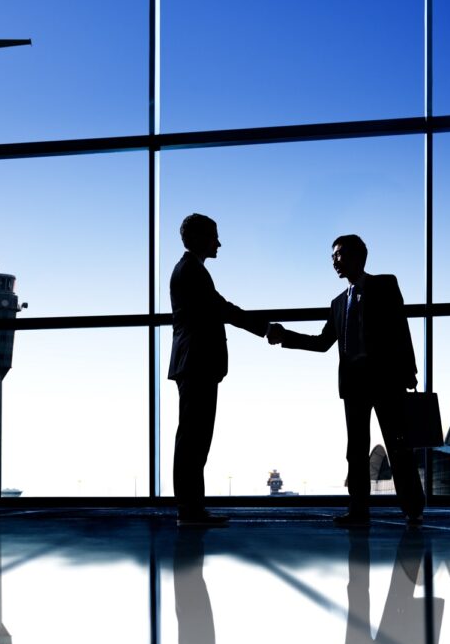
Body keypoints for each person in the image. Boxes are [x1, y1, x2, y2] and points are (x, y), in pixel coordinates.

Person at [267, 235, 425, 527]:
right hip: (354, 385)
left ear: (357, 257)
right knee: (356, 449)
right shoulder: (339, 303)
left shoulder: (385, 285)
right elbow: (323, 342)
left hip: (386, 381)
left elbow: (401, 328)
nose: (333, 261)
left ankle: (413, 508)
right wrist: (285, 337)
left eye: (338, 255)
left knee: (398, 446)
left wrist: (409, 370)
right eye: (332, 256)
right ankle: (358, 510)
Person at [169, 213, 269, 526]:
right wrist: (264, 328)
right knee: (194, 441)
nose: (219, 243)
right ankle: (190, 510)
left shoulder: (189, 270)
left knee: (194, 439)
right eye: (214, 236)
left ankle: (191, 508)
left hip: (194, 363)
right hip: (196, 363)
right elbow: (221, 308)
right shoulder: (192, 272)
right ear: (198, 238)